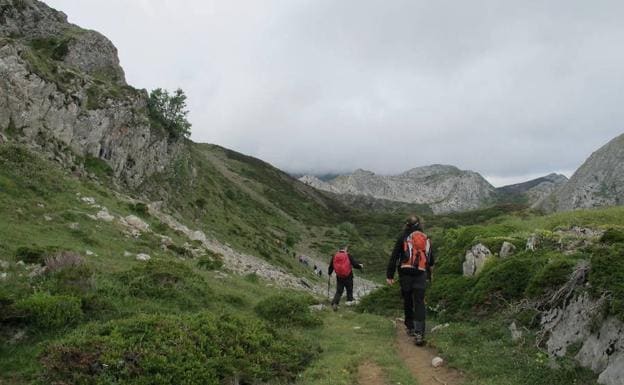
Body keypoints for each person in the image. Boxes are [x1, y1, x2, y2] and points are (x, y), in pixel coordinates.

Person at [386, 215, 434, 346]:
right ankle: (420, 333)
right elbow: (430, 260)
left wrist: (389, 275)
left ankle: (410, 326)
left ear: (406, 224)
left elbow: (394, 257)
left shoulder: (402, 237)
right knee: (419, 301)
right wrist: (429, 275)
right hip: (421, 273)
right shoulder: (425, 238)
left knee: (407, 299)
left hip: (405, 273)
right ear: (419, 224)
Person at [328, 246, 363, 311]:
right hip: (348, 276)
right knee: (349, 289)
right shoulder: (348, 255)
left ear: (339, 249)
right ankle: (349, 303)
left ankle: (335, 303)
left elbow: (331, 266)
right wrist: (360, 267)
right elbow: (354, 264)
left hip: (339, 276)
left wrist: (329, 273)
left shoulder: (335, 256)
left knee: (339, 291)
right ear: (345, 248)